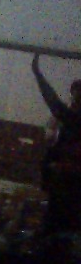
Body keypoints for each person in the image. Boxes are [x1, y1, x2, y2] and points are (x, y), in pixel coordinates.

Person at [30, 54, 81, 234]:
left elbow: (52, 100)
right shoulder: (69, 117)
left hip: (66, 177)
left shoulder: (71, 118)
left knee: (60, 216)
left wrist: (38, 74)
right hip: (65, 177)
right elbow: (53, 102)